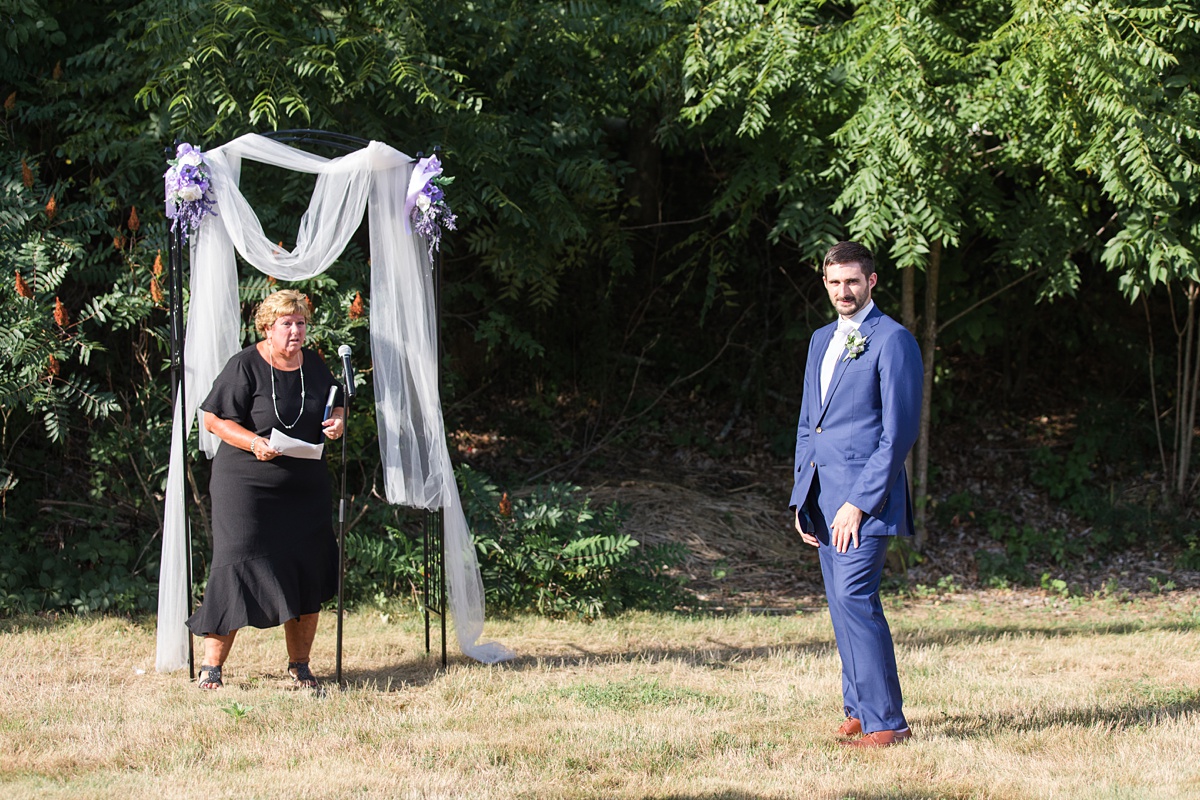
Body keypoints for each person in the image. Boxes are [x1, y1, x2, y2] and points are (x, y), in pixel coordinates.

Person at [790, 241, 923, 747]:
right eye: (834, 282)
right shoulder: (821, 339)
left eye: (852, 281)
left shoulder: (893, 340)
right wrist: (802, 496)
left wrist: (858, 503)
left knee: (855, 598)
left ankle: (887, 722)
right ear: (825, 284)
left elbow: (898, 433)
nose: (843, 291)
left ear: (871, 282)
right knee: (841, 605)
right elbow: (809, 424)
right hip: (823, 499)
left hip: (866, 502)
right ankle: (859, 708)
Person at [187, 289, 345, 690]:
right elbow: (212, 419)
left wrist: (337, 422)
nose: (295, 331)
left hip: (304, 487)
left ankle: (300, 665)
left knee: (306, 565)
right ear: (267, 328)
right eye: (286, 324)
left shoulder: (314, 364)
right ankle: (211, 666)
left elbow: (336, 400)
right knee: (235, 561)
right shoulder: (244, 365)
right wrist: (254, 442)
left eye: (300, 323)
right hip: (247, 483)